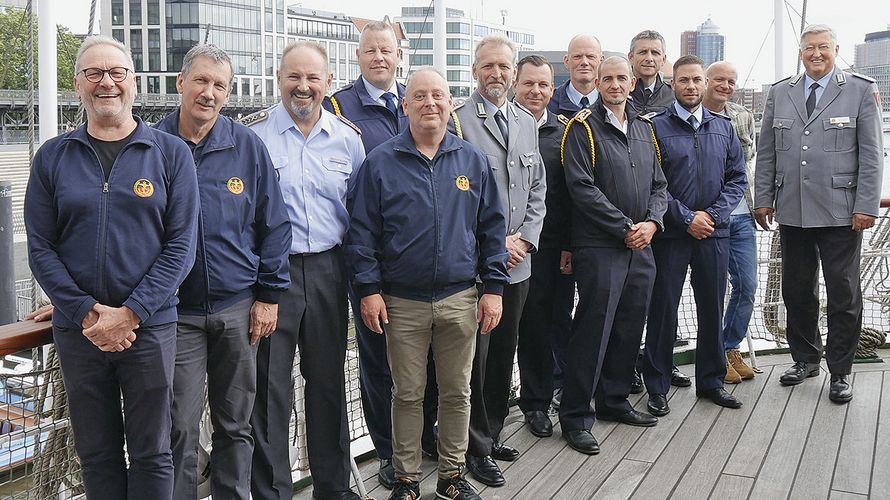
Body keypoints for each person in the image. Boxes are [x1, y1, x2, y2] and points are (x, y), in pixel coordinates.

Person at [25, 35, 199, 499]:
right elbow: (41, 248)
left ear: (134, 83)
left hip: (150, 328)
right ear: (78, 84)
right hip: (79, 333)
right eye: (94, 73)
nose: (107, 82)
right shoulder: (52, 158)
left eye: (116, 73)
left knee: (153, 453)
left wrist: (133, 312)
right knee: (96, 453)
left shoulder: (170, 153)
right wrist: (85, 312)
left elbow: (181, 246)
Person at [346, 66, 509, 500]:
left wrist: (493, 288)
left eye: (437, 95)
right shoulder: (380, 163)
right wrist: (368, 290)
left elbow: (492, 230)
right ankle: (405, 478)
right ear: (405, 104)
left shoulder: (471, 161)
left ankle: (452, 477)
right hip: (402, 302)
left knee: (457, 391)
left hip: (461, 298)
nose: (429, 104)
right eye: (419, 96)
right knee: (407, 393)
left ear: (450, 102)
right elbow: (361, 234)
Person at [154, 44, 291, 500]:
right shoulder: (152, 146)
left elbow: (274, 224)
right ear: (180, 83)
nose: (209, 93)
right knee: (178, 428)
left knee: (236, 424)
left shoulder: (246, 145)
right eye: (201, 81)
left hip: (237, 309)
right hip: (177, 315)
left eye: (219, 85)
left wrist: (269, 296)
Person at [243, 41, 365, 500]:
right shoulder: (253, 136)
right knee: (270, 389)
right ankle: (272, 492)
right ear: (279, 79)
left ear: (328, 82)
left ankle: (333, 489)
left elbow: (361, 212)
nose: (303, 86)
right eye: (294, 76)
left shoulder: (348, 140)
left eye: (313, 77)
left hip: (331, 270)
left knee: (329, 381)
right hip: (272, 276)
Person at [323, 21, 438, 488]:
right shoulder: (339, 108)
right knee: (378, 361)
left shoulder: (415, 100)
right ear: (358, 55)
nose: (378, 58)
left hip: (421, 263)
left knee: (428, 358)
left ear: (398, 55)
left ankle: (426, 438)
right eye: (370, 50)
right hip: (370, 259)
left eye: (386, 50)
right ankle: (390, 450)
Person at [754, 24, 884, 404]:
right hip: (792, 211)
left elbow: (873, 155)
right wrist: (763, 198)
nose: (816, 54)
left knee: (843, 294)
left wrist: (865, 206)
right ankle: (806, 359)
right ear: (801, 51)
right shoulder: (781, 92)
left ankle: (840, 371)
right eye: (809, 47)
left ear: (836, 49)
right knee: (797, 291)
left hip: (843, 214)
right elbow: (767, 153)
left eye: (823, 47)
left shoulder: (859, 90)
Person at [450, 34, 547, 488]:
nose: (496, 74)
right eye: (488, 66)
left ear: (513, 72)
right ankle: (472, 447)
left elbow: (538, 191)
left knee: (503, 354)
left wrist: (524, 241)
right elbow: (452, 201)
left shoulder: (527, 121)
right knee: (475, 360)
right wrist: (495, 245)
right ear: (474, 71)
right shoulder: (458, 122)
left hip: (518, 264)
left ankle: (489, 435)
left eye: (503, 67)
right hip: (477, 268)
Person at [560, 56, 667, 454]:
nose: (616, 85)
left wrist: (652, 224)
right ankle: (575, 416)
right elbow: (582, 189)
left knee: (628, 327)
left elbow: (660, 184)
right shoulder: (582, 128)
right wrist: (625, 228)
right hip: (601, 246)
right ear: (598, 83)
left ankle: (614, 400)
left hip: (642, 246)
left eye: (623, 78)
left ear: (632, 80)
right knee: (593, 331)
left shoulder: (644, 128)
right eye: (608, 78)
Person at [643, 55, 747, 417]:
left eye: (696, 80)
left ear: (704, 84)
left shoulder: (724, 127)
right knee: (663, 310)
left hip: (714, 235)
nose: (690, 86)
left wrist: (713, 216)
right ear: (673, 84)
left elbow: (737, 179)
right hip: (671, 235)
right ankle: (656, 385)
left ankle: (712, 381)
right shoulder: (655, 127)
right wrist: (686, 217)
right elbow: (653, 183)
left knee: (712, 307)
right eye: (683, 80)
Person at [512, 55, 573, 439]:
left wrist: (570, 244)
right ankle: (532, 403)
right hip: (510, 250)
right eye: (529, 84)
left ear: (553, 90)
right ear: (516, 86)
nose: (536, 91)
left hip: (554, 249)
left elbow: (572, 194)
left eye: (543, 85)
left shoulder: (565, 132)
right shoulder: (505, 129)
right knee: (527, 328)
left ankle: (553, 392)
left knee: (557, 322)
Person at [702, 60, 758, 384]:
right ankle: (714, 356)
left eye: (731, 81)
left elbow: (747, 164)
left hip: (740, 216)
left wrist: (760, 203)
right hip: (708, 219)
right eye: (719, 79)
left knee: (747, 285)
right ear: (706, 80)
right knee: (712, 290)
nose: (725, 85)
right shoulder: (691, 116)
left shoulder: (743, 117)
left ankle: (728, 346)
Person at [548, 35, 603, 118]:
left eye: (590, 56)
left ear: (601, 61)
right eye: (577, 57)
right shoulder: (549, 104)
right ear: (566, 61)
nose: (584, 62)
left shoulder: (612, 104)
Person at [627, 30, 675, 115]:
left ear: (663, 60)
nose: (649, 58)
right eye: (643, 52)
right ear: (631, 57)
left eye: (655, 53)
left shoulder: (673, 97)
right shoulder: (619, 92)